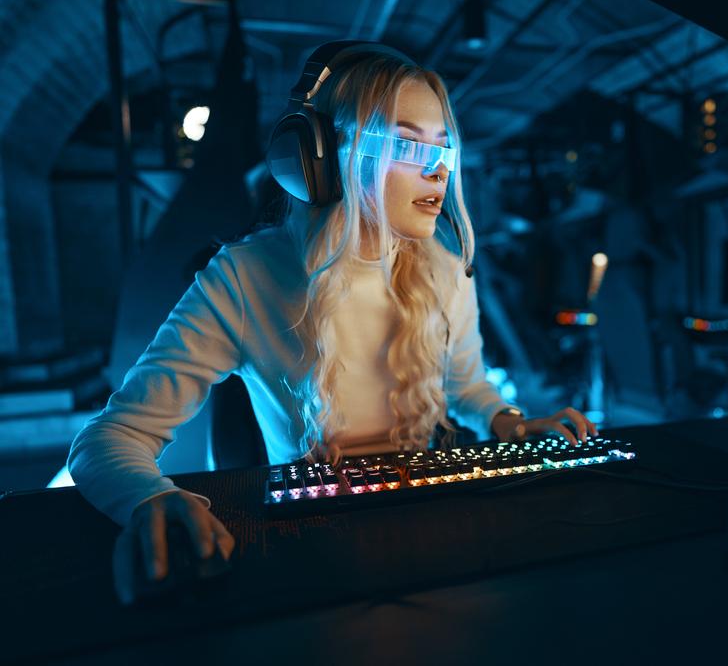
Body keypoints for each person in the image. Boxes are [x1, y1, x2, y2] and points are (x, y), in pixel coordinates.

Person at [66, 42, 598, 601]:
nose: (438, 171)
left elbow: (466, 385)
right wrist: (148, 499)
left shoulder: (444, 267)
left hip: (434, 524)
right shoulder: (245, 277)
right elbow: (110, 438)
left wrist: (510, 424)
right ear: (320, 155)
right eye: (408, 145)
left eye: (442, 149)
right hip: (312, 544)